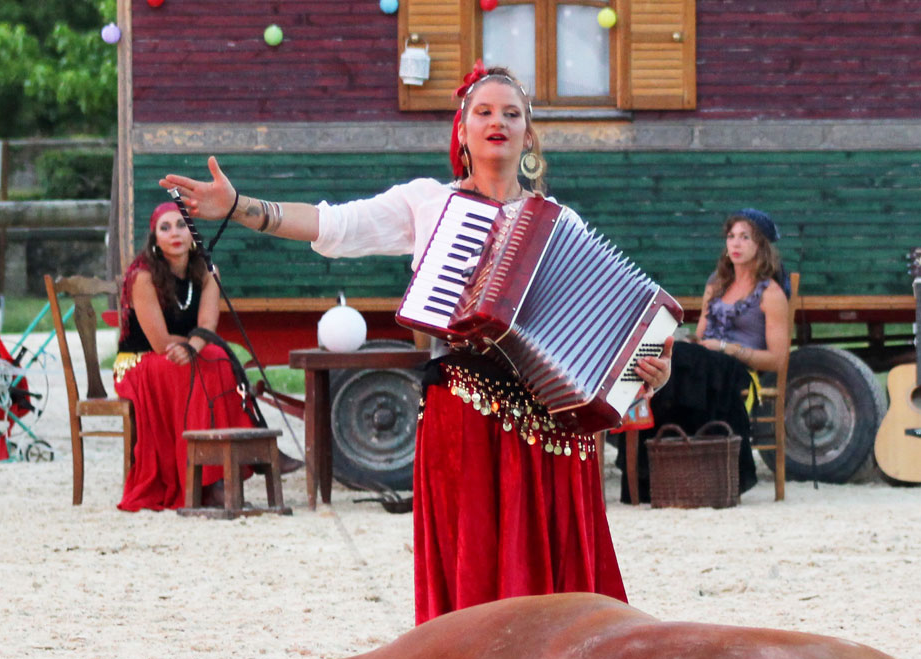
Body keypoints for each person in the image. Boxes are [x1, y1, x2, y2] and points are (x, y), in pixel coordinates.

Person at [160, 64, 672, 623]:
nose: (497, 121)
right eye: (484, 111)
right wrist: (239, 207)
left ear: (530, 135)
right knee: (472, 568)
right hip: (465, 410)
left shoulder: (561, 222)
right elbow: (333, 226)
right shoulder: (430, 203)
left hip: (549, 426)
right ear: (462, 131)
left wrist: (646, 373)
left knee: (557, 585)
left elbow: (603, 340)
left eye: (512, 113)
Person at [617, 210, 790, 501]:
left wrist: (726, 348)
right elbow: (701, 335)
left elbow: (777, 360)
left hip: (738, 368)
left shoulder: (771, 293)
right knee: (663, 356)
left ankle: (656, 471)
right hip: (706, 364)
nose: (735, 244)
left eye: (745, 237)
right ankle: (651, 474)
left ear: (761, 245)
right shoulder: (716, 284)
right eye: (731, 236)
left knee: (685, 360)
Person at [113, 201, 252, 512]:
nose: (174, 233)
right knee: (201, 365)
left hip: (185, 353)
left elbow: (207, 326)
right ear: (155, 238)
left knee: (218, 358)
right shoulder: (143, 277)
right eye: (165, 227)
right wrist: (195, 347)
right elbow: (160, 342)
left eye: (181, 225)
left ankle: (225, 473)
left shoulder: (207, 271)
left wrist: (194, 347)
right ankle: (205, 483)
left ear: (192, 234)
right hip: (140, 362)